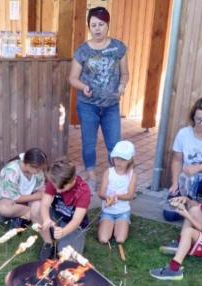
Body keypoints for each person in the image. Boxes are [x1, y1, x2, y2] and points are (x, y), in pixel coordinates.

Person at [69, 6, 129, 188]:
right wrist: (83, 87)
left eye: (101, 24)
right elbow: (72, 78)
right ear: (89, 26)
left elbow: (125, 73)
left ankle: (117, 179)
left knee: (114, 144)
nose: (97, 29)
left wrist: (122, 85)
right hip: (88, 106)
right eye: (93, 25)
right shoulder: (82, 51)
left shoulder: (118, 48)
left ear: (107, 25)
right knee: (89, 143)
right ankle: (91, 176)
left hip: (111, 105)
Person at [39, 159, 91, 260]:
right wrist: (46, 219)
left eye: (61, 188)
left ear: (72, 180)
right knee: (36, 208)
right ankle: (49, 243)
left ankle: (61, 241)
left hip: (73, 224)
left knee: (66, 256)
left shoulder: (83, 191)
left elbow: (76, 220)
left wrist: (63, 232)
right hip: (56, 216)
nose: (58, 190)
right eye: (56, 187)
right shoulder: (56, 180)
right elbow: (44, 204)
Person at [0, 148, 49, 229]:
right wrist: (37, 196)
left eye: (41, 169)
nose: (40, 171)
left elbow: (40, 189)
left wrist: (42, 193)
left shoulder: (38, 173)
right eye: (38, 169)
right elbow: (14, 197)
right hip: (11, 201)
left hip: (28, 201)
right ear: (28, 165)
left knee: (41, 203)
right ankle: (31, 214)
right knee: (4, 208)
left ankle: (23, 217)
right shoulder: (11, 171)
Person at [98, 140, 137, 245]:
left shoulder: (132, 175)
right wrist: (107, 197)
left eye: (123, 159)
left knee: (120, 239)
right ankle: (107, 222)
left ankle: (121, 223)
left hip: (123, 211)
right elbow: (101, 193)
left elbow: (130, 195)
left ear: (130, 160)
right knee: (103, 239)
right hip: (108, 211)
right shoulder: (108, 172)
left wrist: (117, 197)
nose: (119, 162)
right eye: (117, 158)